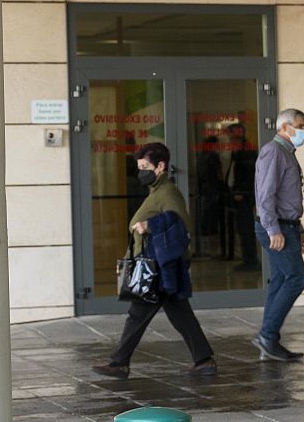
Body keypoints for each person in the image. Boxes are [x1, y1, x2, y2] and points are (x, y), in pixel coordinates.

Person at [92, 142, 217, 380]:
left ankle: (119, 363)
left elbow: (181, 225)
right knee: (180, 314)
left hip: (159, 267)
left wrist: (150, 225)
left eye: (145, 167)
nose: (141, 172)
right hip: (161, 266)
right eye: (139, 167)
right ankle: (204, 361)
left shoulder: (168, 192)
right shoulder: (157, 192)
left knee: (138, 314)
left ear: (160, 166)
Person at [253, 109, 304, 361]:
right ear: (284, 127)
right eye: (299, 126)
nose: (303, 131)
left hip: (287, 226)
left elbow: (288, 198)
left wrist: (300, 230)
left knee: (279, 280)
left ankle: (269, 339)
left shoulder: (286, 153)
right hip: (276, 227)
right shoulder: (273, 152)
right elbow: (265, 195)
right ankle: (267, 335)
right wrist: (273, 229)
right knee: (296, 279)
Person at [226, 122, 258, 268]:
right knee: (242, 229)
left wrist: (241, 192)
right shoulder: (237, 151)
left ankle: (251, 260)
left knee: (246, 229)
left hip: (244, 196)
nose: (229, 140)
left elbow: (249, 175)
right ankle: (247, 258)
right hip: (237, 196)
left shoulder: (247, 152)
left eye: (231, 136)